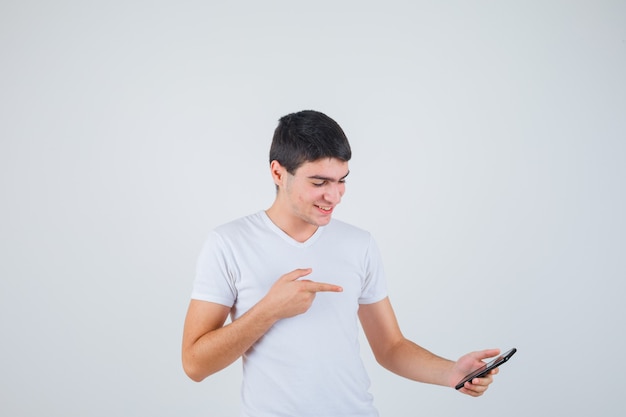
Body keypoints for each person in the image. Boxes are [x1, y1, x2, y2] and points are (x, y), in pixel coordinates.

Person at [182, 110, 500, 416]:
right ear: (278, 173)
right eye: (319, 183)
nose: (334, 196)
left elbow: (390, 347)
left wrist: (451, 372)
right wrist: (269, 310)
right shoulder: (229, 243)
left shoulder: (358, 244)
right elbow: (195, 364)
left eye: (341, 180)